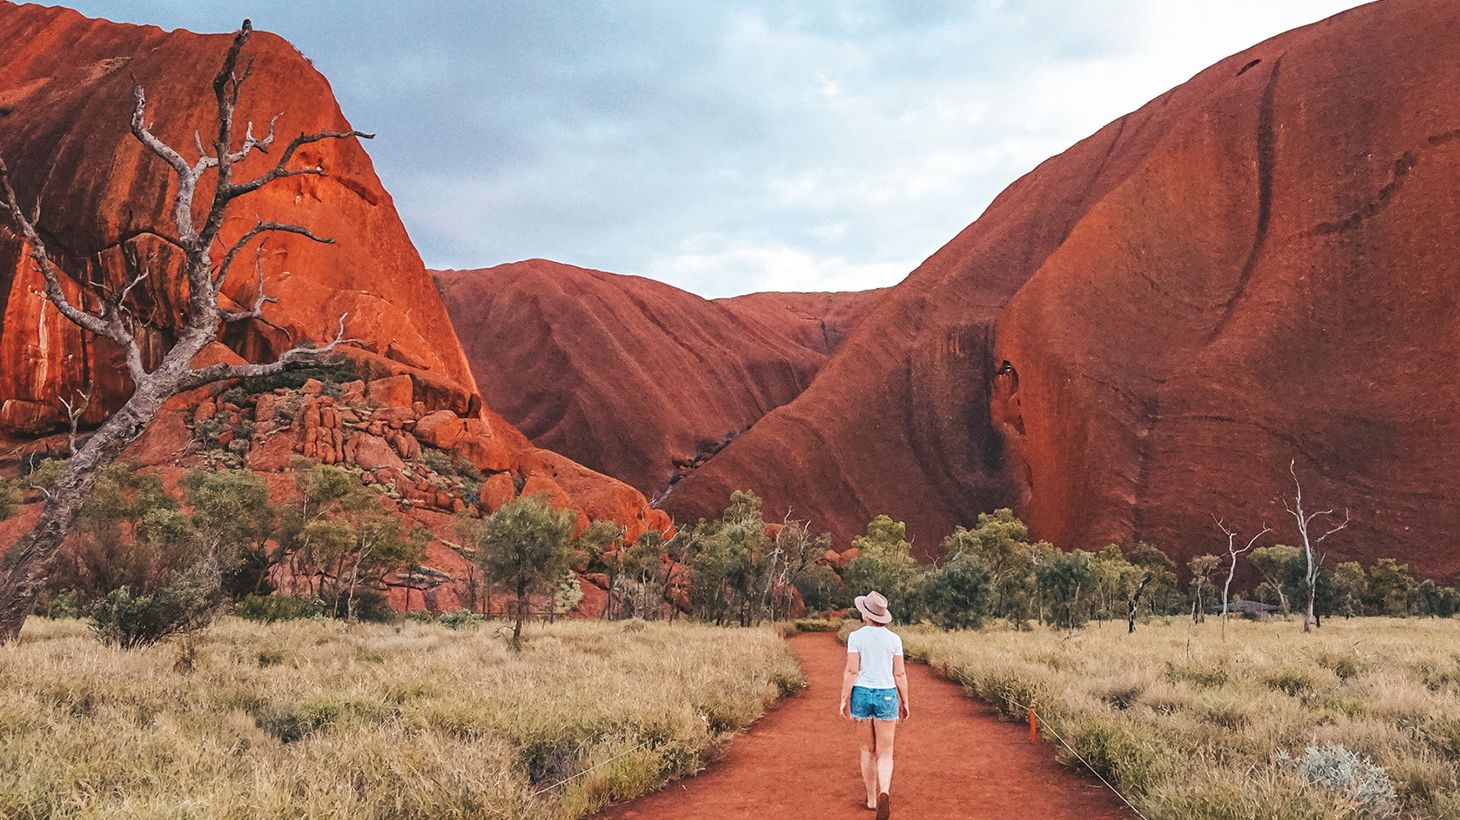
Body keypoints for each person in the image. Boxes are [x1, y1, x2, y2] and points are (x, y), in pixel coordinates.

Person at [838, 590, 910, 818]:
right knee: (886, 752)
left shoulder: (856, 637)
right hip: (887, 695)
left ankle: (871, 798)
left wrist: (844, 698)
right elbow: (899, 674)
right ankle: (884, 792)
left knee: (867, 750)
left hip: (861, 694)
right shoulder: (894, 639)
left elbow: (851, 670)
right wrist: (905, 701)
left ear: (865, 614)